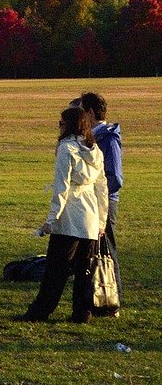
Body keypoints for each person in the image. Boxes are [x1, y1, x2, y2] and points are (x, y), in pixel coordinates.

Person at [21, 104, 109, 323]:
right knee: (84, 271)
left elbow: (62, 188)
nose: (58, 128)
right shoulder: (95, 150)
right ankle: (82, 313)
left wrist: (50, 221)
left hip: (69, 217)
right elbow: (102, 188)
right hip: (90, 217)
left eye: (60, 123)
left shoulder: (66, 148)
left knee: (56, 270)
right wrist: (101, 222)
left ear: (68, 125)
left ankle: (40, 311)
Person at [74, 91, 121, 251]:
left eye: (81, 112)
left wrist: (98, 196)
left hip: (104, 203)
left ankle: (114, 277)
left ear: (90, 113)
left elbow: (115, 177)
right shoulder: (91, 137)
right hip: (92, 201)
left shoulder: (108, 138)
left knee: (106, 253)